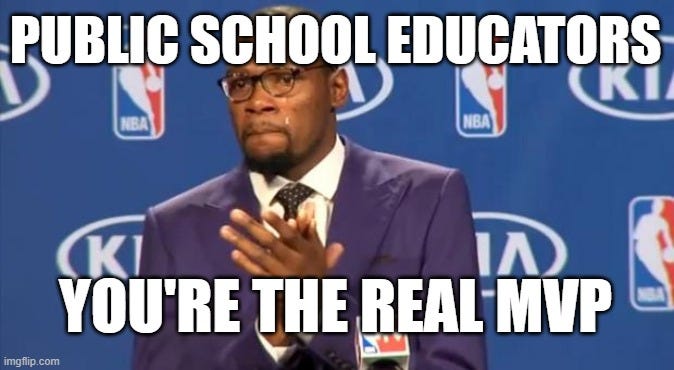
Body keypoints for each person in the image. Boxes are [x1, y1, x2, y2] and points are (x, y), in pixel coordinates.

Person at [133, 5, 486, 369]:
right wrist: (274, 335)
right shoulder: (175, 229)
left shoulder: (427, 200)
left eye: (284, 77)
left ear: (336, 88)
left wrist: (319, 316)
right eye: (240, 83)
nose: (257, 103)